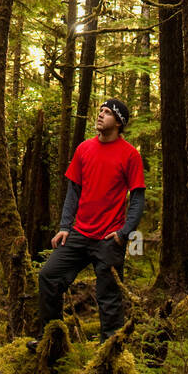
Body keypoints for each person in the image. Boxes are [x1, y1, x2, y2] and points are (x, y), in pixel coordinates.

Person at [37, 98, 145, 343]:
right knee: (49, 276)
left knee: (109, 298)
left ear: (118, 122)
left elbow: (138, 198)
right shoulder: (84, 149)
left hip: (109, 239)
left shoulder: (130, 155)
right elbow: (73, 191)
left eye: (107, 113)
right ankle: (52, 340)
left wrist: (124, 232)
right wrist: (65, 227)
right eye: (100, 110)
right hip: (79, 234)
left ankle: (110, 354)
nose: (100, 114)